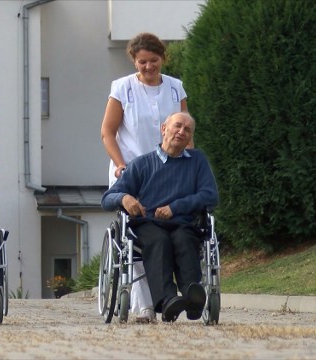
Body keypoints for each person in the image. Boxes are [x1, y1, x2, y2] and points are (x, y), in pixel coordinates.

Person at [100, 32, 188, 323]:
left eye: (153, 61)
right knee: (137, 233)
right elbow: (108, 132)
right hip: (133, 171)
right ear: (134, 62)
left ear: (162, 58)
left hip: (169, 171)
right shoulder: (122, 88)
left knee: (173, 227)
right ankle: (145, 306)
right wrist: (120, 164)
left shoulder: (175, 88)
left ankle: (177, 292)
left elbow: (185, 131)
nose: (148, 67)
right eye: (142, 62)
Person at [101, 112, 219, 322]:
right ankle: (167, 301)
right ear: (164, 129)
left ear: (190, 137)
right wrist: (125, 197)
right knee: (159, 240)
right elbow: (107, 199)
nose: (182, 132)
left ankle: (193, 298)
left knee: (183, 240)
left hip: (184, 222)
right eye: (177, 126)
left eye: (187, 130)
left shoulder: (197, 161)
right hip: (149, 224)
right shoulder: (141, 164)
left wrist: (175, 207)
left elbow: (210, 195)